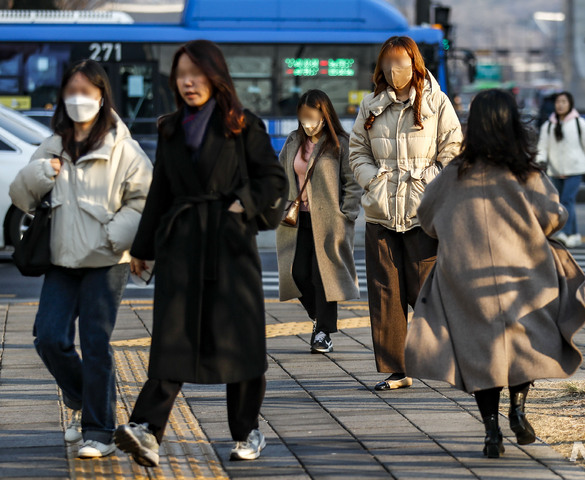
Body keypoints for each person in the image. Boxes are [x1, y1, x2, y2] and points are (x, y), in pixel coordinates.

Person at [113, 40, 288, 467]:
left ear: (216, 76)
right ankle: (147, 430)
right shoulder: (171, 128)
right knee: (173, 337)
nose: (188, 82)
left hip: (229, 247)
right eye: (180, 75)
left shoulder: (244, 125)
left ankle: (247, 431)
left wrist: (240, 205)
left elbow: (273, 180)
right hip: (182, 246)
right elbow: (161, 191)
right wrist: (143, 247)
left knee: (239, 341)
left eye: (197, 73)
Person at [404, 89, 585, 458]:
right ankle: (518, 409)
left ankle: (491, 433)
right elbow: (555, 216)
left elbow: (426, 216)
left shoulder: (456, 173)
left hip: (464, 278)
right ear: (512, 124)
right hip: (522, 274)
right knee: (523, 345)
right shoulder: (524, 173)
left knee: (480, 354)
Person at [9, 59, 153, 458]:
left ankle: (100, 430)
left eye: (86, 92)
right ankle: (80, 396)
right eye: (71, 92)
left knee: (94, 340)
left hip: (107, 259)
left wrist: (115, 235)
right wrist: (42, 172)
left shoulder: (124, 146)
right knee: (49, 338)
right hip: (61, 259)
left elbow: (143, 199)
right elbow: (21, 197)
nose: (78, 100)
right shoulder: (54, 143)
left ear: (102, 96)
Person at [349, 36, 462, 391]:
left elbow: (453, 149)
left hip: (421, 213)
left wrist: (427, 183)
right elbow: (357, 151)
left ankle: (451, 354)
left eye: (400, 62)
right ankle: (398, 370)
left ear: (414, 64)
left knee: (425, 290)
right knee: (385, 294)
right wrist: (374, 182)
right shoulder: (371, 105)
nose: (393, 70)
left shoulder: (436, 101)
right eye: (387, 63)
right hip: (381, 213)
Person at [276, 89, 362, 353]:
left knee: (323, 275)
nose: (307, 123)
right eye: (303, 118)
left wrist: (346, 213)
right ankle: (319, 318)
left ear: (324, 116)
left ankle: (323, 332)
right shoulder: (293, 141)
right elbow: (279, 175)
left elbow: (353, 183)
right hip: (296, 220)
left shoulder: (339, 144)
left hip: (329, 221)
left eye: (312, 117)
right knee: (297, 273)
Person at [537, 91, 585, 248]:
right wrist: (540, 162)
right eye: (558, 102)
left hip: (575, 169)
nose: (560, 105)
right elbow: (542, 147)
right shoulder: (548, 125)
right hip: (555, 170)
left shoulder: (580, 123)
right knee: (562, 202)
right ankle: (575, 234)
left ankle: (566, 233)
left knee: (567, 201)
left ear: (570, 104)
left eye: (564, 102)